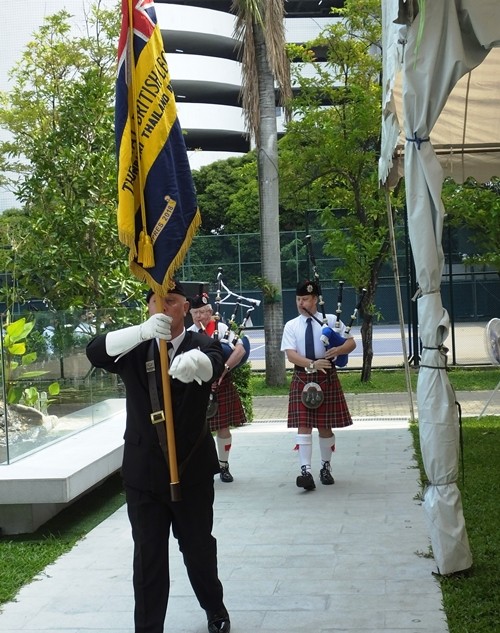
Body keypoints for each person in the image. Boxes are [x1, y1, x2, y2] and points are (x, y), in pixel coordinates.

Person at [86, 281, 230, 633]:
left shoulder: (201, 343)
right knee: (148, 557)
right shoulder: (136, 346)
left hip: (191, 469)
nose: (163, 306)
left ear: (185, 307)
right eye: (155, 300)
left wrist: (197, 362)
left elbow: (214, 363)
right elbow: (96, 352)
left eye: (171, 300)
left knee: (198, 549)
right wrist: (141, 332)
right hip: (145, 474)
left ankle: (215, 609)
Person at [280, 280, 356, 491]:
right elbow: (291, 355)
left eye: (305, 299)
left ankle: (325, 467)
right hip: (303, 376)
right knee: (303, 424)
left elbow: (351, 342)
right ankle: (305, 471)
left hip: (326, 376)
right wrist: (312, 364)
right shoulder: (291, 325)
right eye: (298, 299)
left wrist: (339, 350)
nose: (300, 303)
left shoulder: (330, 320)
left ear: (315, 300)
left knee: (324, 426)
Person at [188, 290, 247, 483]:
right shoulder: (189, 334)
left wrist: (224, 369)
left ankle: (224, 465)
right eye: (195, 313)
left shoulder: (221, 329)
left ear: (210, 312)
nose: (199, 316)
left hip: (222, 383)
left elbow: (240, 350)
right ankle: (202, 466)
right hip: (198, 386)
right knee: (198, 427)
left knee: (223, 427)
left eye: (203, 312)